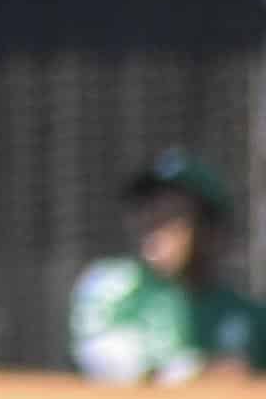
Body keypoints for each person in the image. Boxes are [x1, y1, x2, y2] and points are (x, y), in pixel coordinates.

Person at [69, 154, 261, 385]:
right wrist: (198, 374)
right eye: (147, 211)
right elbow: (105, 359)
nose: (152, 225)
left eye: (172, 214)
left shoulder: (249, 316)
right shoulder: (109, 286)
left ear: (211, 231)